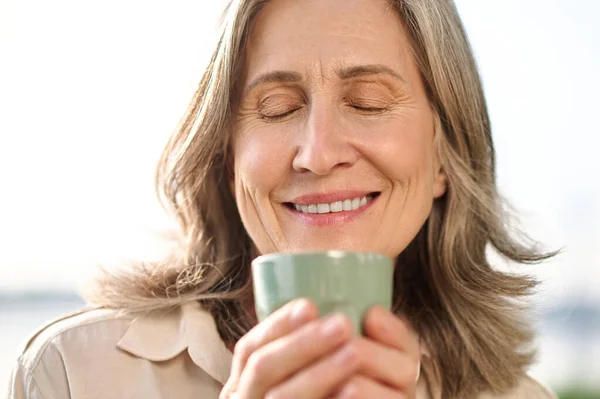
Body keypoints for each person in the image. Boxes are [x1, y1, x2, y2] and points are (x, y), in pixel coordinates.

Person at [6, 0, 557, 398]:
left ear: (444, 156)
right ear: (226, 158)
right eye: (276, 108)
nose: (317, 153)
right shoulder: (71, 373)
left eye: (367, 102)